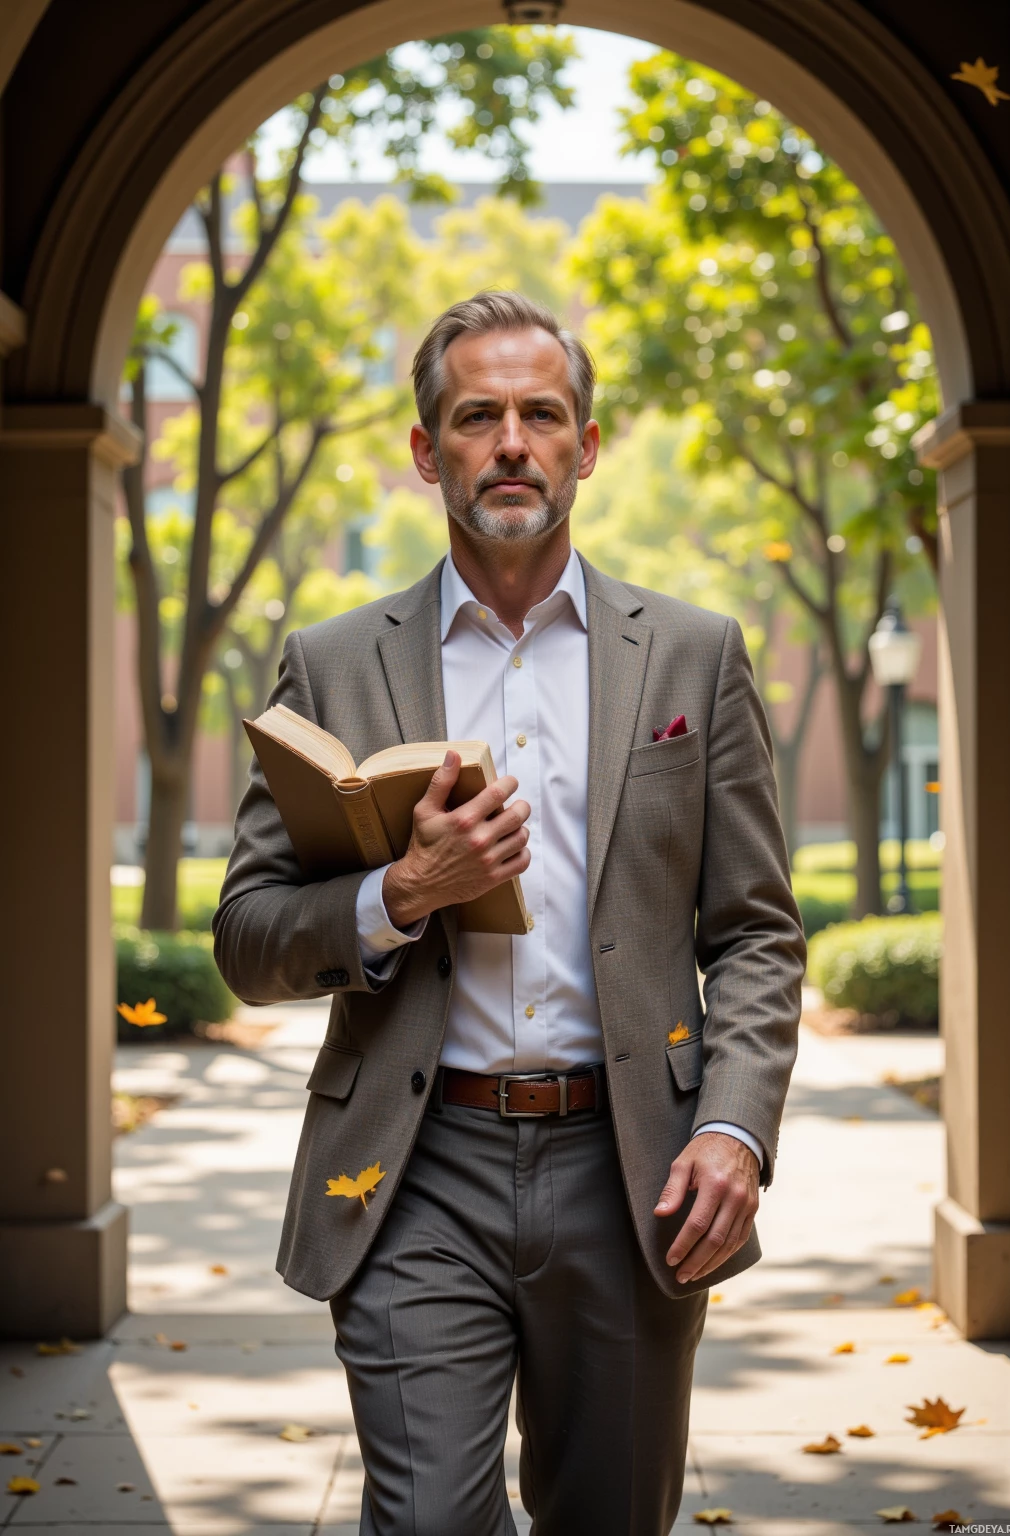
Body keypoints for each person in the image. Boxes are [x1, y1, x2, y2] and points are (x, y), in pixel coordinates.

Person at [214, 290, 805, 1536]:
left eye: (543, 414)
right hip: (411, 1168)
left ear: (588, 445)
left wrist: (736, 1132)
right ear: (428, 453)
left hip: (630, 1167)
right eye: (476, 416)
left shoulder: (693, 655)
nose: (512, 443)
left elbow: (752, 930)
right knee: (426, 1519)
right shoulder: (329, 664)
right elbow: (248, 940)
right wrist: (398, 894)